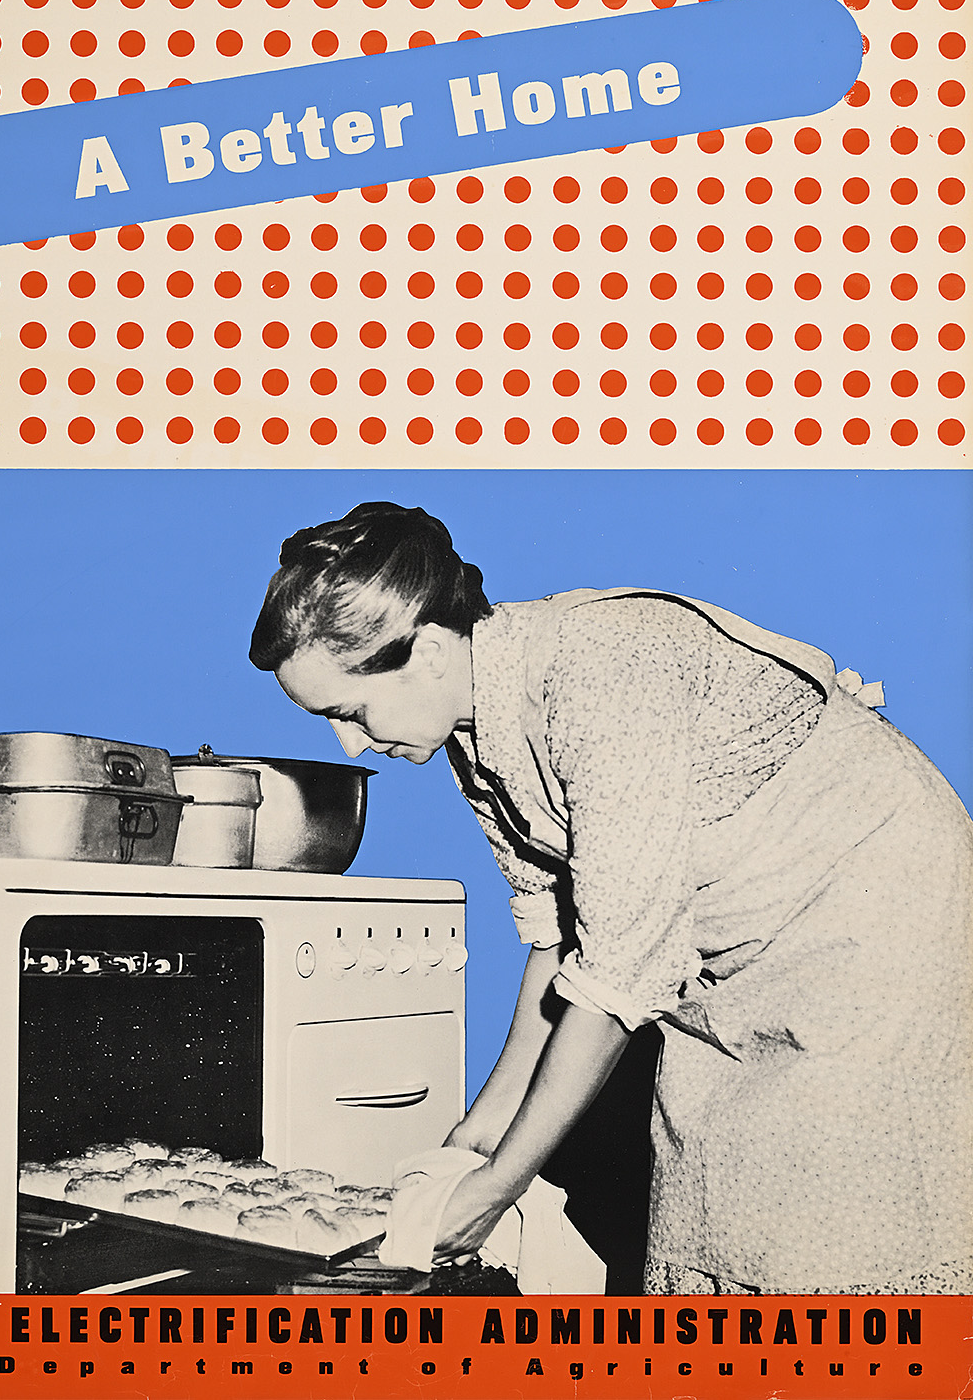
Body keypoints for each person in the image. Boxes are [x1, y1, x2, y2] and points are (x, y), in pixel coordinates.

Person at [249, 501, 973, 1294]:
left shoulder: (597, 675)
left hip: (875, 919)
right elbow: (560, 942)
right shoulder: (472, 735)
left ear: (425, 649)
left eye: (349, 712)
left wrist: (499, 1188)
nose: (351, 744)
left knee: (841, 1230)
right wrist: (477, 1135)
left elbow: (615, 977)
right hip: (730, 950)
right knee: (709, 1191)